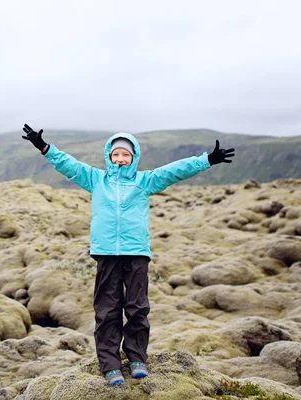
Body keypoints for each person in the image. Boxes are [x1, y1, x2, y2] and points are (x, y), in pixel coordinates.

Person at [21, 123, 235, 385]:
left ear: (134, 157)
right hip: (106, 253)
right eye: (116, 154)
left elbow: (174, 171)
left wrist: (206, 160)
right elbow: (70, 165)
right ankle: (110, 365)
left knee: (137, 309)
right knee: (107, 310)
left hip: (136, 253)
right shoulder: (96, 180)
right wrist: (45, 148)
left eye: (126, 154)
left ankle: (136, 359)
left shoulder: (145, 181)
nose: (121, 159)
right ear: (109, 157)